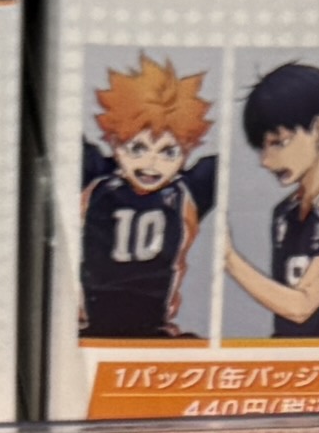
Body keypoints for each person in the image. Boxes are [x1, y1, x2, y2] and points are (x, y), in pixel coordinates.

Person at [74, 56, 216, 342]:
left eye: (168, 152)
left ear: (186, 152)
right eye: (137, 148)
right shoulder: (96, 177)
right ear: (115, 143)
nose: (151, 163)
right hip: (92, 326)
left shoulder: (187, 192)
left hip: (153, 329)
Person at [220, 61, 319, 336]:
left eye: (278, 143)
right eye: (262, 147)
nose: (266, 161)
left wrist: (229, 259)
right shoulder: (284, 213)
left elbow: (302, 306)